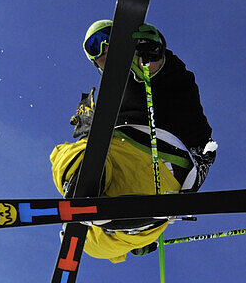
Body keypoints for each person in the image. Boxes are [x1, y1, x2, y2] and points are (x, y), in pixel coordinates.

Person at [50, 20, 217, 263]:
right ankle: (128, 226)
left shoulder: (144, 70)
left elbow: (166, 74)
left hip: (155, 161)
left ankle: (93, 203)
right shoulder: (95, 103)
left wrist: (154, 53)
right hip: (130, 190)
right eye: (93, 47)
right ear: (93, 61)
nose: (104, 47)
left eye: (109, 38)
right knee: (98, 248)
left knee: (66, 156)